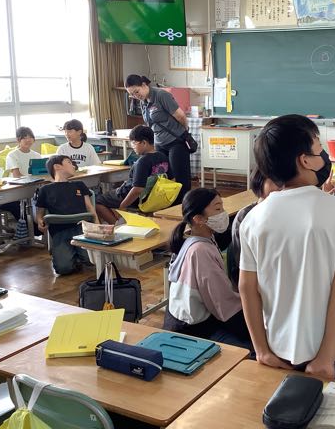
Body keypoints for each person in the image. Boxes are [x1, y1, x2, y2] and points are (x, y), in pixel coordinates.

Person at [238, 114, 335, 383]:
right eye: (318, 148)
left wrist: (261, 350)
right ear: (305, 160)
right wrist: (325, 357)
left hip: (277, 347)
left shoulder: (254, 218)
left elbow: (247, 288)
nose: (323, 155)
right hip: (333, 353)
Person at [164, 187, 252, 350]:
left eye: (222, 207)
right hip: (192, 330)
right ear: (198, 219)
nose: (223, 213)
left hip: (186, 319)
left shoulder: (196, 239)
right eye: (218, 209)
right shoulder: (200, 251)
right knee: (252, 348)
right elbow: (224, 305)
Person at [125, 74, 191, 205]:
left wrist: (183, 133)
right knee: (162, 178)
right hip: (159, 143)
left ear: (144, 85)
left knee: (179, 179)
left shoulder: (161, 95)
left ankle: (183, 207)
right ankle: (166, 207)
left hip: (175, 142)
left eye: (136, 92)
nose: (136, 96)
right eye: (132, 94)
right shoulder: (143, 102)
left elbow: (181, 116)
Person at [36, 155, 97, 276]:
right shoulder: (45, 189)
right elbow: (40, 211)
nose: (73, 166)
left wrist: (97, 224)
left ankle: (77, 256)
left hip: (81, 229)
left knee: (91, 261)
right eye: (69, 162)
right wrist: (39, 221)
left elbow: (90, 207)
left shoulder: (79, 184)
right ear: (57, 166)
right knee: (63, 268)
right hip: (60, 231)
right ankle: (73, 257)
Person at [95, 125, 169, 224]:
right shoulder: (163, 157)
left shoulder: (142, 162)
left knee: (98, 201)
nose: (132, 146)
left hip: (134, 197)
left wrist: (123, 205)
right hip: (154, 196)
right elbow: (171, 179)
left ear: (144, 142)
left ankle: (117, 227)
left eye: (134, 143)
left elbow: (138, 189)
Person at [228, 168, 279, 286]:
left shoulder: (283, 211)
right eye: (275, 181)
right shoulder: (245, 216)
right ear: (259, 183)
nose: (281, 187)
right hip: (255, 280)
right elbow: (242, 259)